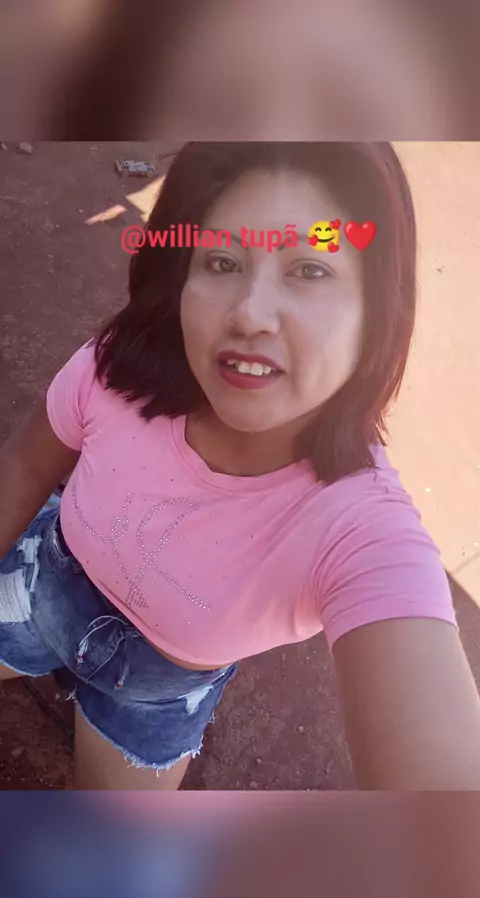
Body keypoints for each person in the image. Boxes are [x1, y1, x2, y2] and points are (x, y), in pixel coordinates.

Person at [1, 141, 480, 791]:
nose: (251, 314)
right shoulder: (118, 369)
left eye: (309, 269)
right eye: (222, 261)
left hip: (151, 698)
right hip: (41, 585)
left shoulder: (359, 527)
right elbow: (26, 465)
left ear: (377, 309)